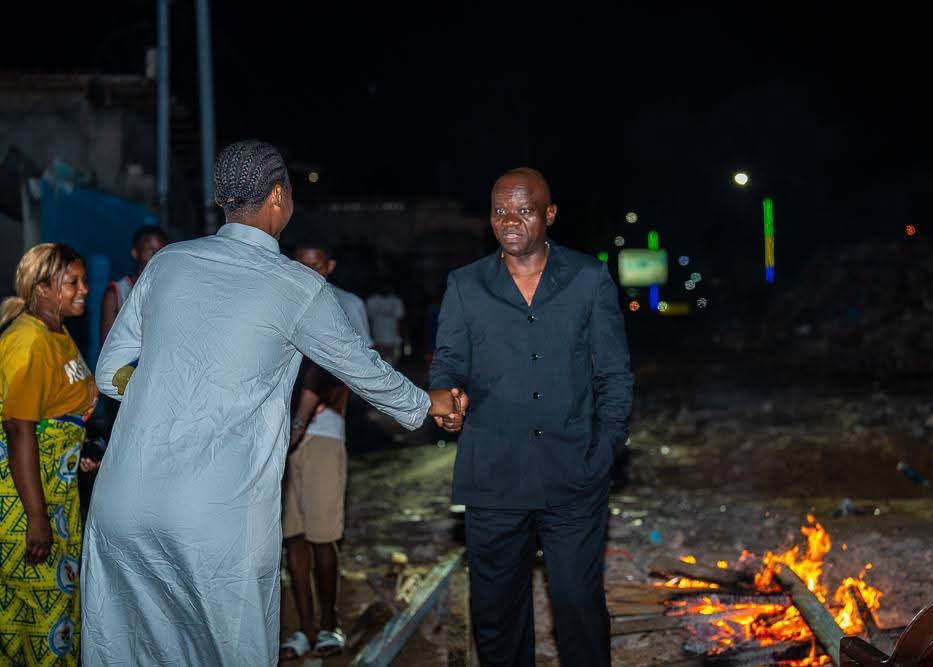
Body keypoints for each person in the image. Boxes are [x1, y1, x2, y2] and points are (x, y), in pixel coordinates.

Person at [81, 139, 466, 665]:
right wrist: (429, 403)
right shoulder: (297, 286)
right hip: (215, 516)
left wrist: (167, 392)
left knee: (134, 653)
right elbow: (363, 370)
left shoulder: (169, 262)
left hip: (122, 502)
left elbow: (109, 372)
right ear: (279, 196)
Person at [429, 168, 633, 667]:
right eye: (500, 211)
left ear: (550, 214)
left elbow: (614, 373)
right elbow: (448, 362)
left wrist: (604, 449)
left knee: (578, 605)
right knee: (497, 614)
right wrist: (447, 397)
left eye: (523, 210)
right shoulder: (466, 284)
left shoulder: (588, 278)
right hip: (493, 473)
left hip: (573, 471)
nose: (510, 221)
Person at [0, 243, 101, 665]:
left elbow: (58, 413)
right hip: (26, 502)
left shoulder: (56, 333)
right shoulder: (28, 341)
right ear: (42, 288)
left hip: (56, 494)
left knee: (57, 619)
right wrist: (37, 518)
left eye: (84, 280)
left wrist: (79, 451)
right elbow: (19, 430)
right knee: (38, 625)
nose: (84, 289)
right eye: (72, 282)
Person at [279, 241, 372, 660]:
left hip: (323, 432)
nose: (309, 272)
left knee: (323, 536)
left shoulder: (346, 304)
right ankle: (305, 627)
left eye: (317, 265)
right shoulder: (279, 300)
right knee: (292, 537)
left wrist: (308, 414)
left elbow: (353, 364)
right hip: (279, 436)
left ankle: (330, 623)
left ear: (330, 266)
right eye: (302, 265)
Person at [99, 225, 167, 345]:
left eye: (161, 251)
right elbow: (107, 346)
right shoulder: (117, 292)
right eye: (151, 251)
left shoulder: (169, 289)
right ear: (135, 253)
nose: (157, 256)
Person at [365, 281, 405, 366]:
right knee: (379, 363)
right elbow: (368, 320)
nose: (385, 288)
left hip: (393, 338)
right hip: (377, 338)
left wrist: (400, 337)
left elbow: (400, 320)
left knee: (393, 363)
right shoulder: (372, 300)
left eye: (388, 286)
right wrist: (370, 337)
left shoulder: (396, 300)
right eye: (383, 286)